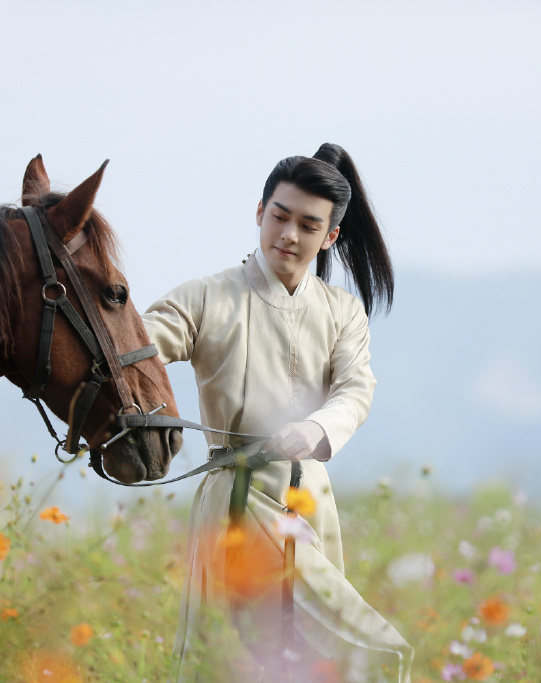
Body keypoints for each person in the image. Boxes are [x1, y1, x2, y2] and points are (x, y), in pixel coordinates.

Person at [142, 143, 412, 682]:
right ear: (259, 212)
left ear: (330, 236)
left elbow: (356, 390)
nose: (288, 235)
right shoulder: (205, 298)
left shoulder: (341, 311)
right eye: (279, 217)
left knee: (347, 655)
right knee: (231, 660)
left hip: (308, 497)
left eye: (308, 226)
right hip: (234, 502)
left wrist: (316, 427)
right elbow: (136, 347)